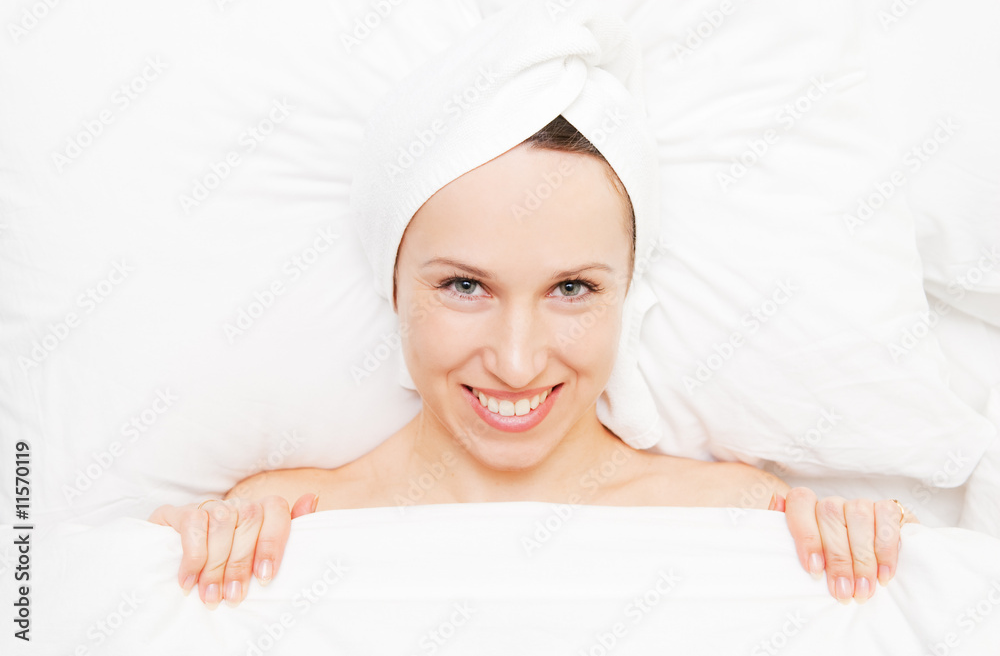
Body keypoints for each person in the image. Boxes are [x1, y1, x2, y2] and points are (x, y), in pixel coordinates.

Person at [149, 115, 917, 612]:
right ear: (394, 287)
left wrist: (868, 540)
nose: (516, 363)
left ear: (627, 296)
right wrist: (172, 556)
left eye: (572, 289)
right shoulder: (278, 520)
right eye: (464, 286)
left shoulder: (750, 514)